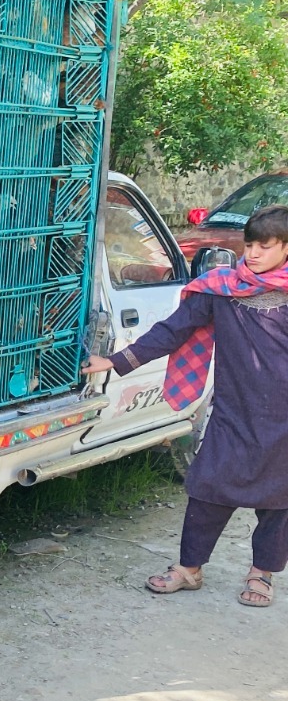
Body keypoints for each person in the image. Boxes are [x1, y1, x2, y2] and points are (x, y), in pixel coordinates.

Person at [85, 204, 288, 607]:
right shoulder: (221, 289)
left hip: (285, 418)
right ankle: (189, 568)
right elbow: (173, 331)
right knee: (207, 486)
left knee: (280, 499)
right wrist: (117, 361)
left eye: (264, 247)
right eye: (249, 244)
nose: (252, 254)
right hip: (233, 412)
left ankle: (261, 573)